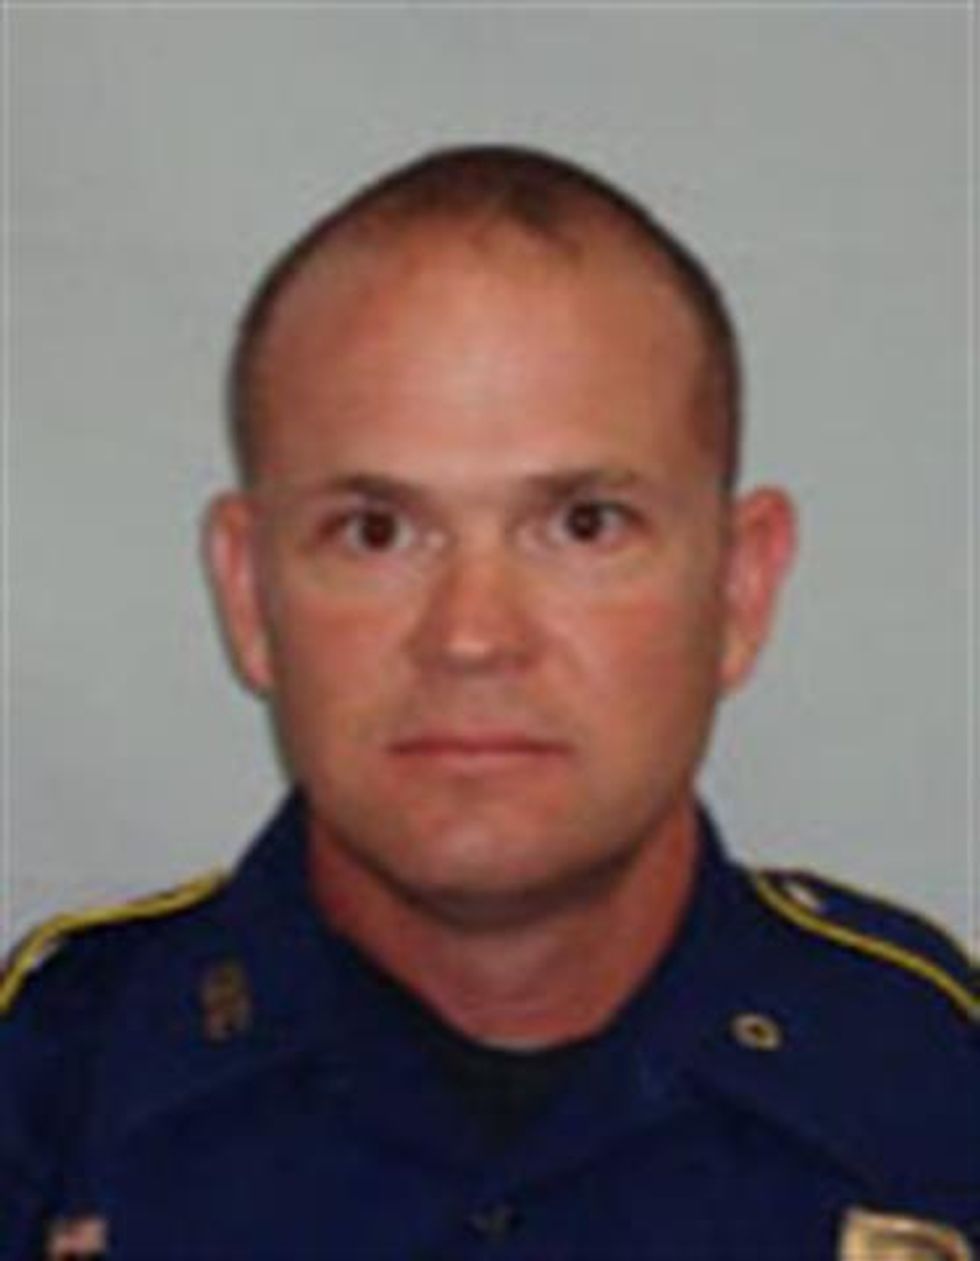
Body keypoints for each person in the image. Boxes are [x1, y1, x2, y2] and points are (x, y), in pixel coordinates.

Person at [2, 146, 976, 1261]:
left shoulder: (936, 1088)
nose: (471, 636)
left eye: (583, 525)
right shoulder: (51, 1086)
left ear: (740, 588)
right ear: (248, 593)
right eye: (376, 532)